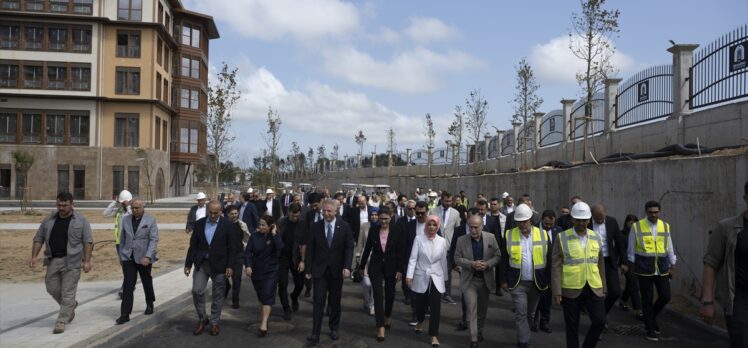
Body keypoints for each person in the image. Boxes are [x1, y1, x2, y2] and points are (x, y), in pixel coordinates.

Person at [30, 192, 93, 334]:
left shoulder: (81, 220)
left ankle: (62, 320)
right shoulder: (49, 219)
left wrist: (87, 261)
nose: (61, 208)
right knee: (51, 288)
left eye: (65, 205)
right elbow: (38, 238)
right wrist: (34, 256)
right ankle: (70, 306)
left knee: (68, 292)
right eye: (59, 205)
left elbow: (88, 241)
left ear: (72, 204)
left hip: (73, 262)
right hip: (52, 260)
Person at [552, 202, 607, 348]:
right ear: (572, 219)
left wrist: (604, 287)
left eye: (585, 220)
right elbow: (556, 265)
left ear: (589, 220)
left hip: (593, 286)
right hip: (571, 288)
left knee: (600, 321)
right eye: (578, 219)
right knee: (572, 326)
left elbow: (600, 263)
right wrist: (557, 291)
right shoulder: (562, 237)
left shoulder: (596, 237)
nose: (582, 223)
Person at [701, 181, 748, 348]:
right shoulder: (727, 227)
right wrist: (707, 302)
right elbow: (711, 264)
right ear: (745, 198)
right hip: (738, 301)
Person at [624, 200, 676, 342]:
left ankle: (650, 318)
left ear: (659, 211)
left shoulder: (665, 226)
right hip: (644, 269)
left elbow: (669, 245)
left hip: (662, 268)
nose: (654, 215)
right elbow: (631, 248)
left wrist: (673, 263)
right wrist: (630, 266)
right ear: (646, 212)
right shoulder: (637, 226)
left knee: (665, 296)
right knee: (647, 299)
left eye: (656, 212)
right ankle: (650, 329)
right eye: (651, 212)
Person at [305, 199, 355, 346]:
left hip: (336, 271)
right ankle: (315, 332)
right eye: (324, 211)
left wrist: (347, 266)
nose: (326, 214)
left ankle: (334, 327)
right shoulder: (315, 227)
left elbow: (349, 248)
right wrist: (308, 269)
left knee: (334, 302)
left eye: (329, 211)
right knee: (318, 302)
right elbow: (310, 250)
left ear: (335, 211)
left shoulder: (345, 227)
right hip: (320, 271)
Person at [500, 204, 551, 348]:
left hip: (536, 282)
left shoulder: (543, 234)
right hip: (518, 283)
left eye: (525, 221)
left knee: (530, 314)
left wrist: (549, 281)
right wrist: (503, 280)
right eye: (519, 222)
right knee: (521, 313)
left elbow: (550, 259)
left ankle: (523, 336)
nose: (522, 224)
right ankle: (524, 342)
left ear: (531, 220)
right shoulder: (509, 235)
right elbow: (504, 259)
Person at [184, 201, 236, 337]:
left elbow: (232, 248)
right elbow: (193, 245)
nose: (213, 215)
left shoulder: (228, 225)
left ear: (220, 212)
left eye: (216, 213)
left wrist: (230, 265)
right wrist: (188, 264)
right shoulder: (200, 224)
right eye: (211, 212)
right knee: (197, 290)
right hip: (202, 264)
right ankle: (203, 318)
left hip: (220, 265)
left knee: (218, 295)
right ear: (208, 211)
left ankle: (214, 322)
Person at [358, 207, 404, 341]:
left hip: (392, 266)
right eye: (381, 218)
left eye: (386, 218)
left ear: (391, 218)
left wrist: (400, 269)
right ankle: (380, 327)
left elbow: (400, 251)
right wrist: (361, 266)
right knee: (378, 295)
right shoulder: (373, 230)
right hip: (375, 266)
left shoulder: (397, 231)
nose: (383, 221)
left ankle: (387, 315)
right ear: (378, 218)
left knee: (390, 295)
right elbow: (367, 249)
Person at [456, 215, 501, 348]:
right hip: (469, 281)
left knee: (482, 311)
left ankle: (479, 331)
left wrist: (487, 264)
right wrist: (472, 264)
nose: (473, 230)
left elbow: (498, 256)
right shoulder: (461, 240)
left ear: (482, 226)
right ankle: (473, 339)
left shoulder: (491, 238)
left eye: (476, 227)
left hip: (485, 280)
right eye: (471, 227)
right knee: (471, 310)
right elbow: (457, 258)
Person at [406, 214, 448, 348]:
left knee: (435, 306)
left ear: (438, 226)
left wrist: (445, 280)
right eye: (429, 224)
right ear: (426, 225)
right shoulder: (419, 239)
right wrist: (409, 275)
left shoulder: (442, 241)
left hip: (436, 276)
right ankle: (420, 320)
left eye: (434, 225)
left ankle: (433, 335)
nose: (431, 227)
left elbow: (443, 261)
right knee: (420, 304)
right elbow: (413, 258)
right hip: (421, 274)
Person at [115, 197, 158, 324]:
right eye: (132, 207)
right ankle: (125, 314)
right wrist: (122, 255)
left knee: (146, 281)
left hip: (144, 257)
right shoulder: (126, 219)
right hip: (128, 256)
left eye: (137, 207)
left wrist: (148, 256)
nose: (134, 210)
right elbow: (122, 238)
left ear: (143, 207)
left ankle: (150, 303)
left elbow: (153, 240)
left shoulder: (150, 220)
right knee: (128, 285)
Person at [245, 215, 283, 337]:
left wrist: (274, 233)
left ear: (270, 226)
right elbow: (248, 253)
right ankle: (264, 318)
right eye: (259, 224)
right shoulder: (254, 236)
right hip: (257, 270)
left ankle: (264, 323)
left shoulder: (274, 236)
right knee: (261, 296)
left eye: (263, 225)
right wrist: (248, 266)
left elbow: (281, 247)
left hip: (271, 270)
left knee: (267, 294)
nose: (260, 227)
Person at [589, 204, 626, 319]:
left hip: (609, 261)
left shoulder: (612, 222)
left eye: (601, 218)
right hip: (593, 262)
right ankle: (598, 319)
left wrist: (624, 262)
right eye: (597, 218)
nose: (600, 220)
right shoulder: (587, 223)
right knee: (596, 293)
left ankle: (601, 314)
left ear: (605, 212)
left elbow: (619, 241)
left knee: (615, 291)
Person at [533, 210, 564, 333]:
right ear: (542, 220)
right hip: (537, 269)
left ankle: (544, 321)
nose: (549, 227)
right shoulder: (534, 229)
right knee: (536, 297)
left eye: (551, 224)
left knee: (547, 298)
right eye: (546, 224)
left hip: (551, 270)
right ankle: (534, 319)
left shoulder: (558, 231)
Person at [430, 191, 460, 305]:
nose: (449, 203)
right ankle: (435, 292)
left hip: (449, 247)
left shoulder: (456, 213)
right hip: (435, 247)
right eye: (446, 201)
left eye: (450, 201)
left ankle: (446, 294)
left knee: (447, 271)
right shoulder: (433, 211)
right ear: (441, 200)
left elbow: (457, 230)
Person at [277, 202, 306, 319]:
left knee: (300, 283)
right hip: (282, 257)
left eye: (297, 216)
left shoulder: (302, 224)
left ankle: (294, 296)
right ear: (288, 213)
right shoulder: (281, 222)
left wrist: (303, 261)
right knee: (282, 284)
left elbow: (304, 243)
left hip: (296, 257)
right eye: (293, 216)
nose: (295, 218)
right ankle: (286, 308)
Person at [104, 189, 132, 299]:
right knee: (124, 265)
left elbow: (132, 215)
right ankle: (129, 284)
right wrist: (114, 202)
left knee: (128, 265)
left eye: (124, 201)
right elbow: (105, 213)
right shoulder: (119, 211)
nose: (123, 203)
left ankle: (125, 287)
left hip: (128, 243)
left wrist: (129, 206)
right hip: (119, 243)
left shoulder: (131, 211)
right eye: (122, 202)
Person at [618, 214, 643, 320]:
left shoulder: (640, 234)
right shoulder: (622, 234)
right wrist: (623, 264)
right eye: (630, 222)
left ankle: (623, 300)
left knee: (631, 284)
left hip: (638, 262)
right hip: (627, 262)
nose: (632, 224)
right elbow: (621, 250)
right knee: (634, 285)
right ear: (626, 223)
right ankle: (638, 310)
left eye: (634, 222)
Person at [225, 205, 249, 309]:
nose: (234, 216)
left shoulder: (242, 225)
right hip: (226, 255)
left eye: (236, 213)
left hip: (239, 254)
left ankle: (235, 300)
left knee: (237, 278)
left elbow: (247, 238)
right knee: (223, 277)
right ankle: (226, 287)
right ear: (228, 215)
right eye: (232, 214)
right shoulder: (224, 225)